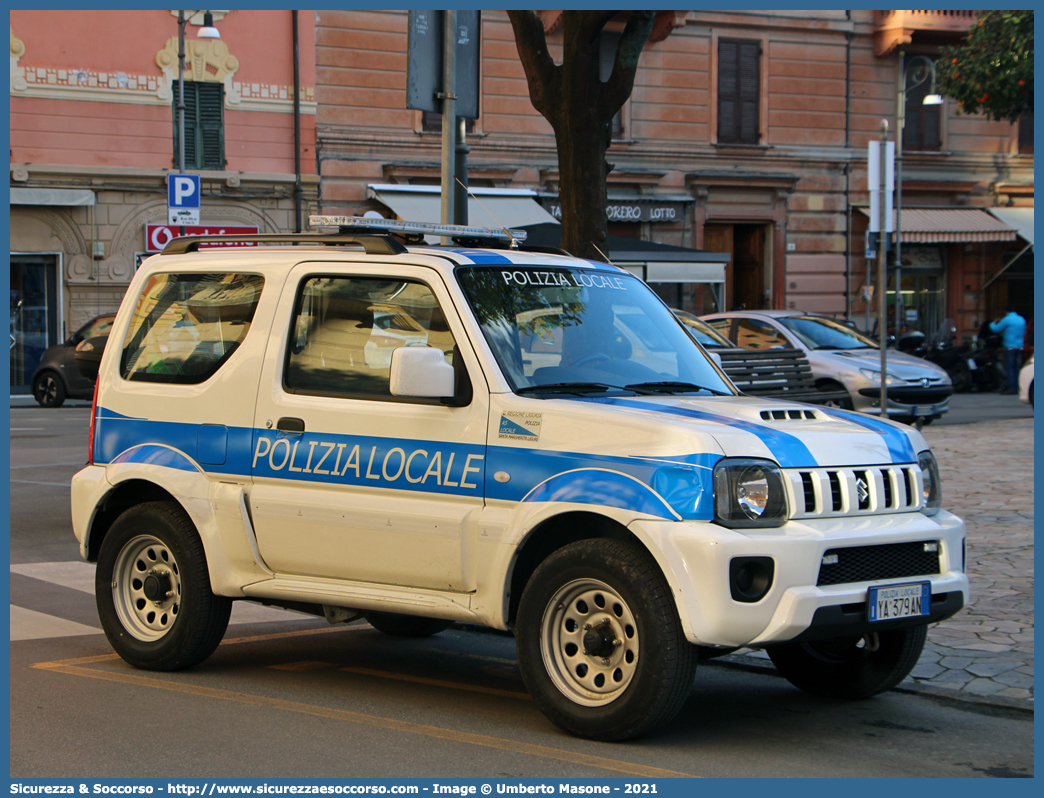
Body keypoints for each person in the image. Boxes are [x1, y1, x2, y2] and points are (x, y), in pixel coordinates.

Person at [989, 305, 1027, 394]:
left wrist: (992, 323)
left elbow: (995, 329)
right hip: (1020, 346)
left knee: (1010, 368)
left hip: (1010, 347)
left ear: (1007, 312)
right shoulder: (1022, 319)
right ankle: (1019, 387)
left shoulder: (1007, 319)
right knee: (1017, 368)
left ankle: (1011, 388)